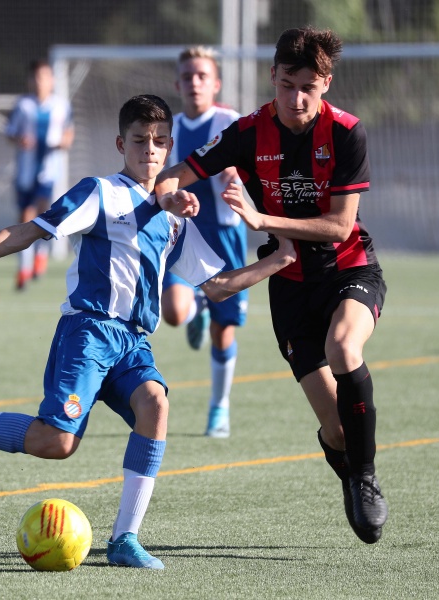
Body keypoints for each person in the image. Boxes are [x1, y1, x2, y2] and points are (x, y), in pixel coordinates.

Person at [0, 95, 296, 570]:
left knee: (156, 404)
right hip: (89, 333)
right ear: (121, 144)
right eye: (139, 140)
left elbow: (217, 287)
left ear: (170, 147)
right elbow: (28, 231)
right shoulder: (100, 193)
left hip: (133, 342)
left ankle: (125, 539)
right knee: (57, 444)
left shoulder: (176, 218)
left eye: (159, 142)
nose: (149, 150)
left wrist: (279, 259)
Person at [155, 27, 389, 545]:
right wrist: (172, 199)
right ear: (272, 77)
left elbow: (339, 227)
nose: (296, 98)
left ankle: (366, 478)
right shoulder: (245, 132)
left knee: (343, 347)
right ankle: (351, 466)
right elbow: (172, 175)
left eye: (308, 87)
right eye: (287, 85)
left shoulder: (347, 132)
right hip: (289, 285)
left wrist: (261, 220)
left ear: (326, 84)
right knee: (336, 431)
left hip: (349, 269)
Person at [161, 46, 247, 438]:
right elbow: (162, 179)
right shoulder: (169, 129)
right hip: (183, 234)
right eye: (187, 77)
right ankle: (196, 306)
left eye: (202, 76)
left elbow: (249, 168)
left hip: (226, 238)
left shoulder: (232, 123)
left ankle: (219, 407)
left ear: (216, 84)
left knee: (223, 332)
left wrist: (235, 176)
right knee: (173, 312)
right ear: (178, 84)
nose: (194, 83)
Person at [5, 58, 75, 290]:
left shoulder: (61, 105)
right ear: (30, 80)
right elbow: (10, 132)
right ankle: (24, 266)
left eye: (44, 77)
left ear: (51, 80)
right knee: (25, 216)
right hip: (25, 171)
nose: (40, 82)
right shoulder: (23, 105)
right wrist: (20, 139)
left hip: (49, 171)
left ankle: (40, 254)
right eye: (36, 77)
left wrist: (63, 142)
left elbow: (69, 133)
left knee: (44, 214)